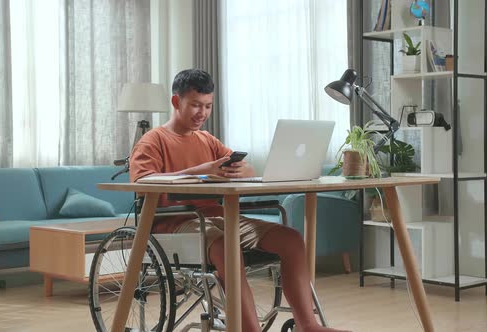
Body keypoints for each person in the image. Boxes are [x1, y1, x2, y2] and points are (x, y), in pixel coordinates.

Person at [129, 69, 350, 332]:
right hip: (173, 224)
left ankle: (308, 325)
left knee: (291, 240)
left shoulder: (207, 139)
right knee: (225, 246)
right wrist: (202, 170)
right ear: (177, 102)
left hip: (219, 218)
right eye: (195, 105)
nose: (202, 113)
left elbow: (247, 169)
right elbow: (142, 181)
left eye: (208, 106)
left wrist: (240, 170)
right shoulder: (153, 140)